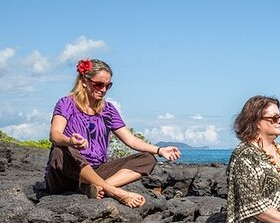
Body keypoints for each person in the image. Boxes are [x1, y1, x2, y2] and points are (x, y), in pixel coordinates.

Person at [45, 58, 180, 208]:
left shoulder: (108, 110)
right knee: (60, 150)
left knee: (148, 159)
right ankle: (113, 191)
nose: (103, 90)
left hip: (96, 171)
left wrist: (160, 150)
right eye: (98, 84)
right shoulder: (66, 103)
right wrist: (70, 141)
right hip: (65, 177)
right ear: (84, 81)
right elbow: (54, 134)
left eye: (108, 86)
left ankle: (94, 188)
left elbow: (131, 140)